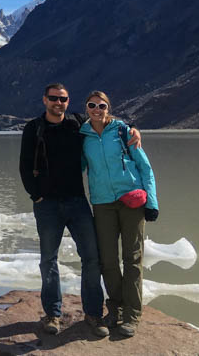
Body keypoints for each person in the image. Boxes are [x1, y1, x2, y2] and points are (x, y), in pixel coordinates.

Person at [19, 83, 141, 338]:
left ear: (68, 101)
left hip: (77, 201)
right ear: (44, 100)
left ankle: (94, 314)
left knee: (92, 257)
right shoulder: (34, 128)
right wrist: (37, 195)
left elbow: (104, 120)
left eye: (62, 99)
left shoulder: (77, 123)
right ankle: (53, 314)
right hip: (47, 205)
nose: (58, 103)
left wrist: (132, 129)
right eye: (53, 98)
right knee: (49, 260)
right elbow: (24, 165)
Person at [80, 90, 158, 338]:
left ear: (108, 108)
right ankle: (115, 308)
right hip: (102, 203)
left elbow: (144, 167)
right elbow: (76, 167)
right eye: (92, 105)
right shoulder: (82, 136)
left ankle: (132, 314)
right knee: (109, 261)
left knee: (132, 258)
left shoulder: (123, 132)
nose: (97, 109)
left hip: (131, 202)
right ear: (86, 108)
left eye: (101, 105)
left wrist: (152, 203)